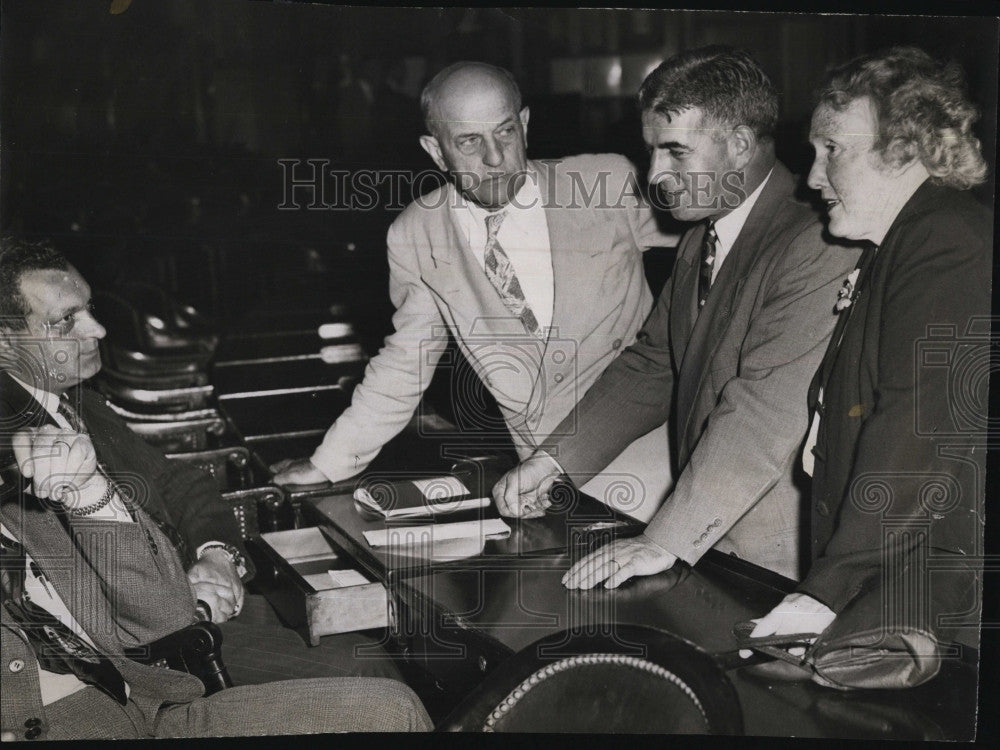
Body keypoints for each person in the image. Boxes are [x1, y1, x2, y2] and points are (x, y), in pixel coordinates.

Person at [0, 265, 431, 740]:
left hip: (193, 605)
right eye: (66, 320)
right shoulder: (17, 442)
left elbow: (185, 483)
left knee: (370, 657)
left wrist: (216, 556)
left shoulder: (78, 403)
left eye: (91, 310)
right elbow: (81, 596)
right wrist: (187, 594)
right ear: (4, 341)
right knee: (364, 669)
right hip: (156, 645)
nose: (97, 329)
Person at [493, 47, 861, 583]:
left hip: (777, 556)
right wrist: (555, 461)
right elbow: (653, 363)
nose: (655, 174)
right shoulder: (702, 234)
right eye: (651, 153)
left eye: (675, 152)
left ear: (738, 145)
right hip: (707, 537)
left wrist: (663, 538)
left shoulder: (814, 241)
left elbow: (762, 413)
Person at [272, 61, 679, 523]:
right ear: (436, 150)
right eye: (469, 141)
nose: (495, 158)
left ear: (524, 124)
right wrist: (330, 462)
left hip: (660, 463)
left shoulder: (604, 183)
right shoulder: (416, 233)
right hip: (544, 485)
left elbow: (722, 245)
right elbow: (406, 362)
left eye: (505, 132)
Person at [741, 47, 990, 665]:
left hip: (935, 601)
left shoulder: (946, 239)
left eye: (833, 151)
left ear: (903, 148)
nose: (812, 177)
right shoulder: (898, 243)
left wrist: (825, 591)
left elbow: (920, 431)